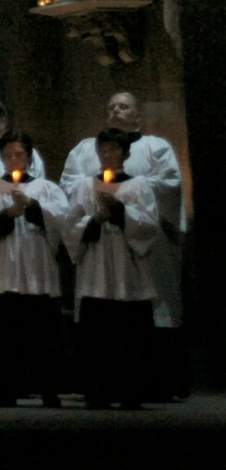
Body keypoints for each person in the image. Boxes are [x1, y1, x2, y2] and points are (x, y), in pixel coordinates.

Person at [60, 89, 186, 391]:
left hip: (138, 254)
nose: (116, 111)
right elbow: (70, 189)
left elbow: (168, 186)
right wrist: (97, 210)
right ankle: (99, 385)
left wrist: (123, 198)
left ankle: (151, 383)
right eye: (111, 107)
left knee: (141, 309)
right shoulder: (84, 150)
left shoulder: (155, 148)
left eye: (124, 107)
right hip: (97, 253)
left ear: (138, 117)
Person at [62, 128, 159, 410]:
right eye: (102, 149)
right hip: (96, 271)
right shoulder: (84, 186)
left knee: (129, 334)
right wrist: (95, 220)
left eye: (113, 149)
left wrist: (119, 210)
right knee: (98, 334)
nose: (106, 154)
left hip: (128, 272)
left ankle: (131, 391)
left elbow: (149, 226)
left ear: (126, 154)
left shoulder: (138, 186)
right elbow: (70, 227)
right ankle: (99, 390)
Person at [0, 132, 66, 408]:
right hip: (4, 271)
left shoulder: (46, 188)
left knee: (42, 336)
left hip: (37, 270)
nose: (13, 160)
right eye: (8, 155)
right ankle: (6, 390)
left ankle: (48, 390)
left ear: (29, 158)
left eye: (19, 155)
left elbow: (62, 221)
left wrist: (32, 206)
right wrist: (6, 214)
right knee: (6, 337)